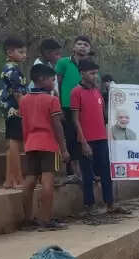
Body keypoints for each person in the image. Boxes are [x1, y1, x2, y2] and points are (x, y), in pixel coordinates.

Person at [70, 59, 130, 215]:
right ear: (82, 73)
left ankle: (110, 204)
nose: (95, 76)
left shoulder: (97, 92)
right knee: (87, 173)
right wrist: (83, 142)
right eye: (92, 73)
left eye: (96, 73)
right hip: (86, 139)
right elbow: (75, 120)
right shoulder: (76, 92)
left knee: (106, 171)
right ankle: (89, 206)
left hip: (102, 138)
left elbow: (104, 115)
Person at [20, 64, 69, 230]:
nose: (54, 83)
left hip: (30, 143)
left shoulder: (24, 100)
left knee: (29, 180)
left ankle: (27, 219)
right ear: (42, 79)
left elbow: (24, 125)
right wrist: (63, 148)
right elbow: (57, 125)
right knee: (48, 181)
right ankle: (45, 219)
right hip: (48, 144)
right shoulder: (52, 100)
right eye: (52, 80)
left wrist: (26, 142)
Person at [56, 35, 92, 184]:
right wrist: (58, 105)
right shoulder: (63, 62)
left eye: (86, 45)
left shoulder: (90, 65)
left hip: (86, 107)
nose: (82, 47)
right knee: (71, 138)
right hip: (67, 106)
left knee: (87, 138)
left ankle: (88, 172)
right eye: (79, 44)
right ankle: (76, 173)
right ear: (74, 47)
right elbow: (57, 84)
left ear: (89, 49)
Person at [0, 37, 28, 189]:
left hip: (9, 109)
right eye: (21, 52)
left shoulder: (8, 67)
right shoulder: (13, 70)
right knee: (15, 142)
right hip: (15, 109)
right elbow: (18, 93)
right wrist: (24, 109)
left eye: (25, 52)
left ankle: (9, 180)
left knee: (11, 142)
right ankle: (18, 179)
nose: (24, 55)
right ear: (10, 52)